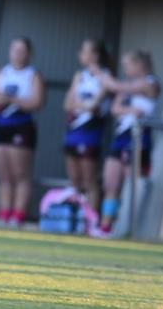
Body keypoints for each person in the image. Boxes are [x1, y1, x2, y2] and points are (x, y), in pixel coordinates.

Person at [97, 51, 159, 235]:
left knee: (133, 186)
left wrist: (105, 78)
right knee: (110, 183)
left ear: (140, 65)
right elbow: (115, 108)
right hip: (121, 137)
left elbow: (116, 87)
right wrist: (131, 109)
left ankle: (128, 228)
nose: (125, 70)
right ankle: (106, 226)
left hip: (140, 138)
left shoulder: (151, 83)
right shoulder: (128, 86)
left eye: (128, 65)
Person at [0, 37, 45, 228]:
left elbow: (36, 102)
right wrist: (11, 99)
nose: (18, 54)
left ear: (28, 53)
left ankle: (17, 216)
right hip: (1, 125)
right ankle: (4, 215)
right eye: (15, 50)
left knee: (20, 173)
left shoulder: (32, 75)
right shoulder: (2, 73)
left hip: (22, 126)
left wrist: (12, 99)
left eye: (22, 51)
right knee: (3, 173)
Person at [63, 39, 111, 210]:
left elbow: (96, 107)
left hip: (90, 131)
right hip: (73, 129)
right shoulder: (79, 76)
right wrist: (85, 105)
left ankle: (90, 220)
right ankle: (75, 217)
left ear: (95, 55)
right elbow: (68, 105)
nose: (81, 55)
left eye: (85, 51)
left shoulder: (105, 77)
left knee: (89, 179)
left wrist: (82, 105)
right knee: (74, 179)